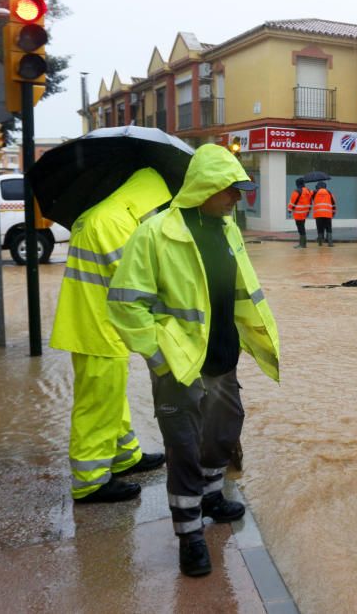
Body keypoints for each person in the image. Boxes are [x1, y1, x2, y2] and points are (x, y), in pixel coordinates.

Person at [107, 144, 280, 577]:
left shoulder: (229, 229)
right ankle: (189, 535)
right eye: (231, 190)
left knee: (222, 432)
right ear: (206, 187)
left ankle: (211, 496)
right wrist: (159, 354)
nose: (237, 199)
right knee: (182, 448)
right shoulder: (155, 233)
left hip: (223, 357)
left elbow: (240, 293)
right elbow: (126, 304)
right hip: (178, 366)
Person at [50, 168, 169, 504]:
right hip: (97, 328)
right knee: (96, 404)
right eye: (157, 204)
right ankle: (90, 481)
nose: (157, 212)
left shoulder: (103, 214)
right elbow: (133, 279)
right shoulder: (114, 222)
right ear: (146, 195)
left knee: (110, 396)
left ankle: (125, 455)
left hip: (95, 322)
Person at [287, 177, 312, 248]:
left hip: (298, 213)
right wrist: (308, 211)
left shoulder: (297, 191)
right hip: (305, 213)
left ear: (297, 184)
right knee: (302, 227)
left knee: (300, 228)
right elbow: (310, 202)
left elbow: (292, 202)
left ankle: (302, 244)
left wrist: (289, 210)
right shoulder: (308, 191)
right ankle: (303, 244)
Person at [312, 181, 336, 246]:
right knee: (328, 228)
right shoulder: (329, 192)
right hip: (328, 213)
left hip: (318, 214)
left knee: (319, 228)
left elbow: (310, 197)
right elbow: (333, 203)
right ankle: (330, 243)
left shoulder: (314, 192)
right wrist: (333, 212)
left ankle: (320, 243)